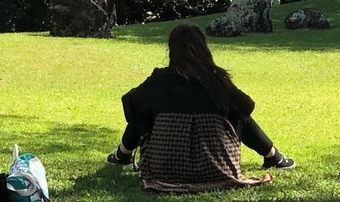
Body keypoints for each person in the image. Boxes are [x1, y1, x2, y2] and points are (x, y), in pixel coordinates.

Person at [108, 23, 294, 192]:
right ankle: (273, 157)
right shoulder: (217, 81)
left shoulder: (160, 79)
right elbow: (247, 106)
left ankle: (122, 154)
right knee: (238, 113)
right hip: (216, 167)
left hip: (164, 169)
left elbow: (130, 103)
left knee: (142, 108)